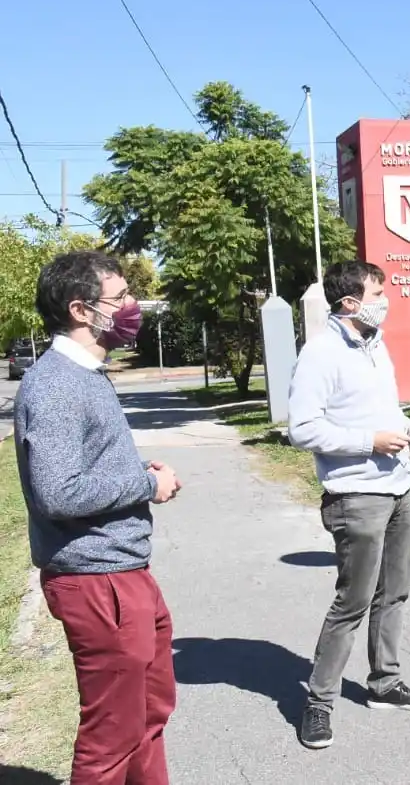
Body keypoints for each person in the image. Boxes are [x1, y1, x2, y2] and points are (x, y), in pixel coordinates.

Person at [14, 250, 182, 785]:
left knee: (149, 715)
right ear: (83, 310)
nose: (134, 306)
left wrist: (134, 469)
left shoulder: (87, 374)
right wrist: (146, 484)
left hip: (125, 573)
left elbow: (82, 465)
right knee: (112, 734)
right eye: (123, 296)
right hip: (96, 580)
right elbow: (58, 493)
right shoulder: (57, 384)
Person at [289, 260, 410, 750]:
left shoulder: (375, 346)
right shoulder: (321, 353)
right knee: (352, 602)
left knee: (394, 592)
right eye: (378, 292)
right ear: (350, 303)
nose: (386, 299)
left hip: (398, 487)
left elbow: (384, 411)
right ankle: (319, 702)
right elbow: (302, 428)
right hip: (356, 494)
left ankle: (385, 683)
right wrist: (369, 441)